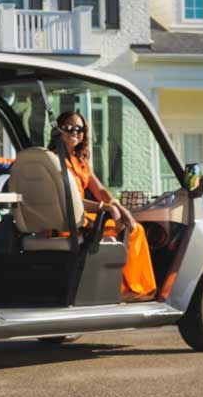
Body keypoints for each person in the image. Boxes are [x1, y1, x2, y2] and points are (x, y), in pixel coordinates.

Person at [48, 111, 156, 299]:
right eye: (69, 127)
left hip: (83, 216)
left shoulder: (80, 161)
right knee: (132, 231)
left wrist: (121, 209)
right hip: (68, 220)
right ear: (58, 130)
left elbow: (101, 191)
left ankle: (135, 288)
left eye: (79, 129)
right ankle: (129, 290)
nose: (75, 132)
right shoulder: (54, 160)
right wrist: (102, 208)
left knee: (133, 227)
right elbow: (66, 200)